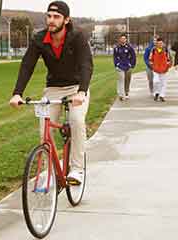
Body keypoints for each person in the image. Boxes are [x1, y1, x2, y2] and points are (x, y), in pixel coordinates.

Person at [9, 1, 93, 184]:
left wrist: (82, 91)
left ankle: (77, 169)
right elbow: (27, 65)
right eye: (49, 16)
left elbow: (86, 64)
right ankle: (49, 173)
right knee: (44, 130)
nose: (51, 20)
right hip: (53, 89)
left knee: (77, 121)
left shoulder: (77, 36)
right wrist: (17, 93)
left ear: (66, 20)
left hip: (76, 88)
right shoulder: (39, 39)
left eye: (56, 17)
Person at [113, 33, 136, 101]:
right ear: (120, 39)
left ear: (126, 39)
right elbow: (115, 57)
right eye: (121, 38)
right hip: (120, 66)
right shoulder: (117, 48)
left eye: (124, 38)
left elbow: (133, 56)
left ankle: (126, 93)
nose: (123, 40)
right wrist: (116, 64)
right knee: (121, 79)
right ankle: (121, 94)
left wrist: (132, 65)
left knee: (127, 80)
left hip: (128, 67)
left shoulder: (129, 47)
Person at [149, 37, 172, 102]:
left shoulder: (166, 50)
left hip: (164, 69)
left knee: (163, 83)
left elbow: (169, 59)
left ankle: (162, 95)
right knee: (156, 81)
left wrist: (167, 66)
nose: (160, 44)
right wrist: (152, 66)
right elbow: (150, 59)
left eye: (161, 43)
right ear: (156, 43)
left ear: (163, 43)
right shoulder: (153, 50)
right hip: (156, 69)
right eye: (158, 43)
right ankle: (156, 92)